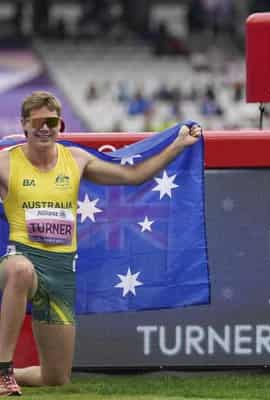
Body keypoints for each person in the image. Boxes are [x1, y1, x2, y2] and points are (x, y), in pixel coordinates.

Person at [0, 91, 202, 395]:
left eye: (52, 122)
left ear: (61, 126)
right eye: (38, 121)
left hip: (61, 273)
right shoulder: (6, 162)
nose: (45, 128)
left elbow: (132, 176)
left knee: (55, 378)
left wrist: (177, 145)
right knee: (21, 272)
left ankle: (11, 374)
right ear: (25, 125)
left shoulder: (76, 159)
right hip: (20, 259)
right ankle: (3, 370)